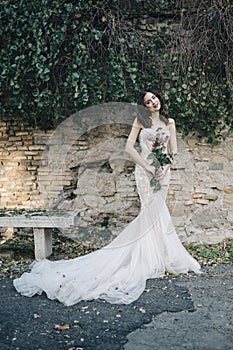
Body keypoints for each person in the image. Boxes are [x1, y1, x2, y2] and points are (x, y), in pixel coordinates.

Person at [13, 90, 201, 306]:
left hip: (163, 174)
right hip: (145, 172)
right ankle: (149, 260)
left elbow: (173, 150)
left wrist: (165, 168)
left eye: (154, 98)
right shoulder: (140, 122)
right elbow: (129, 147)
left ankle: (163, 257)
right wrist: (148, 166)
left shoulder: (170, 123)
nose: (153, 102)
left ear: (159, 99)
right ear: (144, 106)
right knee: (149, 213)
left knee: (159, 213)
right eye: (148, 101)